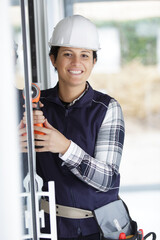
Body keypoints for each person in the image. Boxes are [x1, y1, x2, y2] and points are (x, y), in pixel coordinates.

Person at [20, 15, 125, 240]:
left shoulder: (107, 109)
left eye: (85, 55)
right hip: (49, 230)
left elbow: (107, 180)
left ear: (93, 62)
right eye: (68, 54)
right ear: (53, 59)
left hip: (97, 230)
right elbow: (22, 175)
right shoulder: (36, 106)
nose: (77, 63)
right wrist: (14, 148)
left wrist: (65, 147)